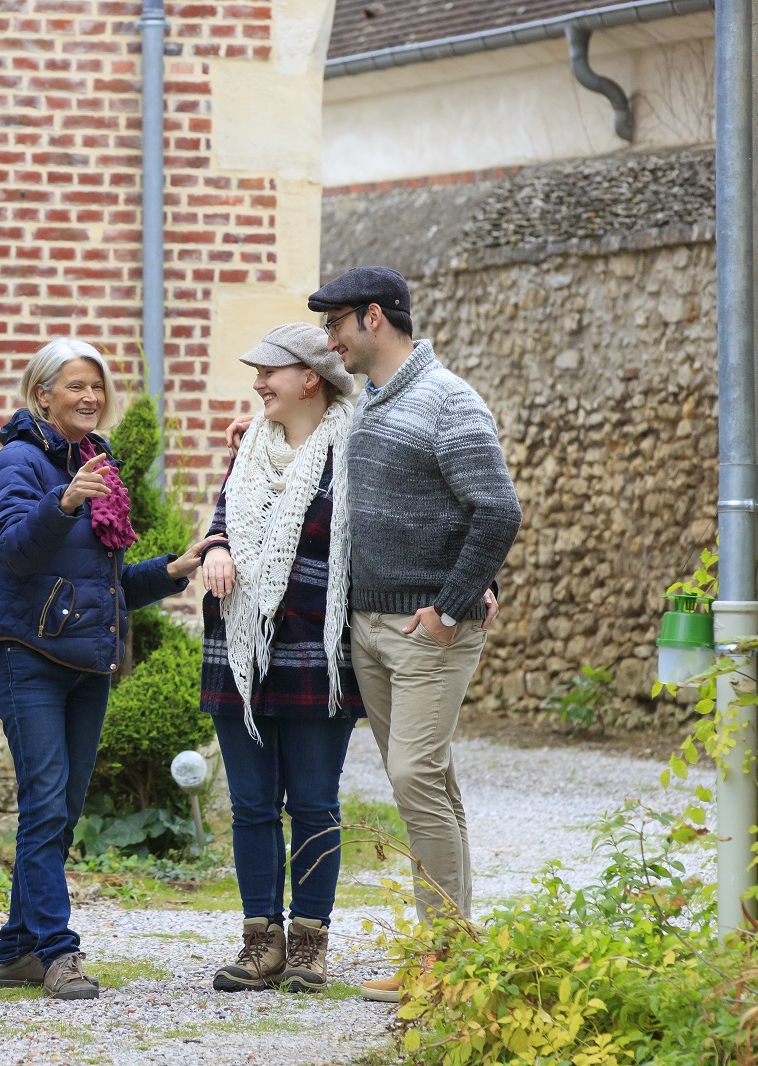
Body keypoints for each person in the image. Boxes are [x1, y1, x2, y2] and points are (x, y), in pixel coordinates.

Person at [226, 267, 519, 1003]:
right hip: (363, 627)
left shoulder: (449, 400)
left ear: (373, 319)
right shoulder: (373, 407)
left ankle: (444, 960)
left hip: (429, 629)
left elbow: (496, 509)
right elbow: (312, 454)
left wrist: (454, 604)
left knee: (417, 780)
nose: (330, 343)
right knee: (432, 783)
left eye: (336, 327)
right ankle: (453, 951)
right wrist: (256, 431)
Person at [0, 338, 220, 1001]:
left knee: (63, 809)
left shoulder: (97, 464)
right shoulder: (18, 464)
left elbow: (101, 583)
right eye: (76, 386)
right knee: (45, 804)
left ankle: (16, 951)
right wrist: (60, 504)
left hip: (88, 661)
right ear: (43, 396)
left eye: (97, 387)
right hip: (30, 657)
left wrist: (170, 571)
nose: (90, 398)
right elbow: (12, 553)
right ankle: (58, 952)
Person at [197, 323, 366, 996]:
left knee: (316, 805)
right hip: (238, 652)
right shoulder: (248, 453)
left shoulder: (354, 449)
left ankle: (308, 945)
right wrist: (214, 548)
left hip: (317, 656)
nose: (259, 382)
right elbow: (221, 521)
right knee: (252, 807)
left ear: (311, 379)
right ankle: (258, 943)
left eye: (272, 370)